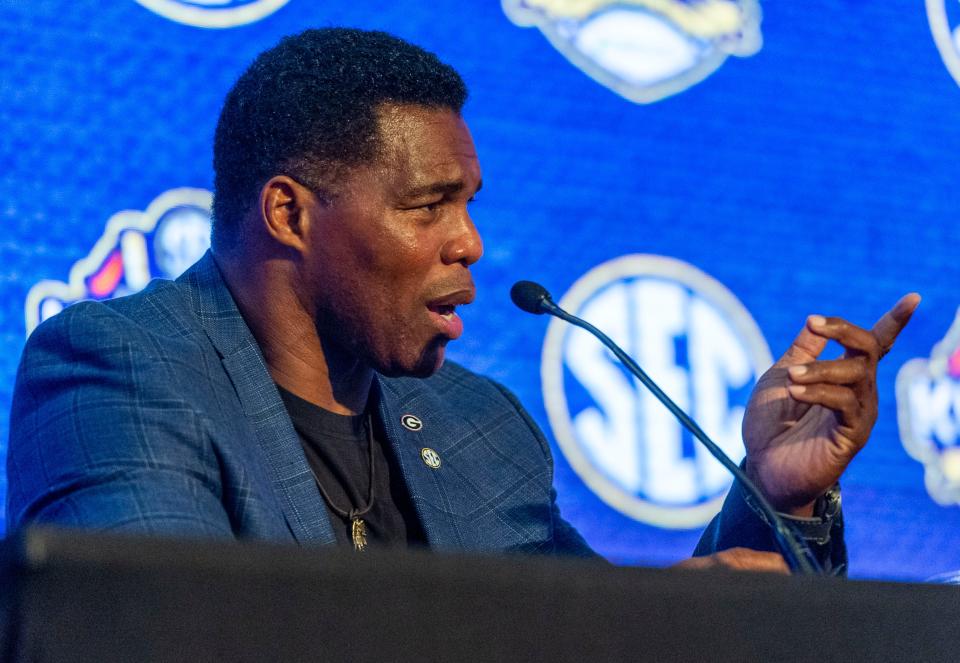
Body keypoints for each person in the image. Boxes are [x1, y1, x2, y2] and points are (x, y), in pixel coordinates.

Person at [6, 28, 918, 572]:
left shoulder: (480, 428)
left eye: (468, 202)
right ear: (289, 212)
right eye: (426, 204)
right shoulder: (118, 371)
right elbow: (170, 633)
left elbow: (624, 639)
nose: (469, 241)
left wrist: (775, 494)